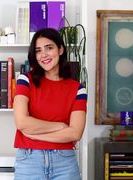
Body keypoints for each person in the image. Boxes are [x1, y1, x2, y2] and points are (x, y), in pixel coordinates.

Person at [13, 28, 87, 180]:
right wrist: (60, 126)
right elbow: (22, 122)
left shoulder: (77, 89)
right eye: (38, 50)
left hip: (64, 163)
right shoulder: (25, 80)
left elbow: (75, 133)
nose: (44, 55)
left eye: (49, 48)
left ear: (60, 49)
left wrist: (34, 135)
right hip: (29, 162)